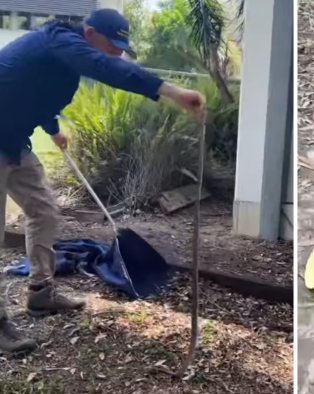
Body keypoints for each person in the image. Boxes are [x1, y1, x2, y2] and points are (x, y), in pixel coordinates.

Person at [0, 8, 206, 353]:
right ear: (90, 33)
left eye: (122, 47)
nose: (118, 53)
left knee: (45, 212)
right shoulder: (57, 40)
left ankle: (40, 294)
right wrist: (170, 91)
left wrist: (53, 130)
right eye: (113, 44)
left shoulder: (65, 61)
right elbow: (105, 68)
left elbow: (34, 92)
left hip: (13, 142)